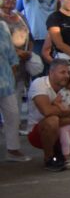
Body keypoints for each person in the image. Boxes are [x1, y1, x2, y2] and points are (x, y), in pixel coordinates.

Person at [0, 18, 32, 162]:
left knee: (13, 114)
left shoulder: (2, 26)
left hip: (5, 80)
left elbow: (11, 55)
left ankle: (12, 149)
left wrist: (13, 72)